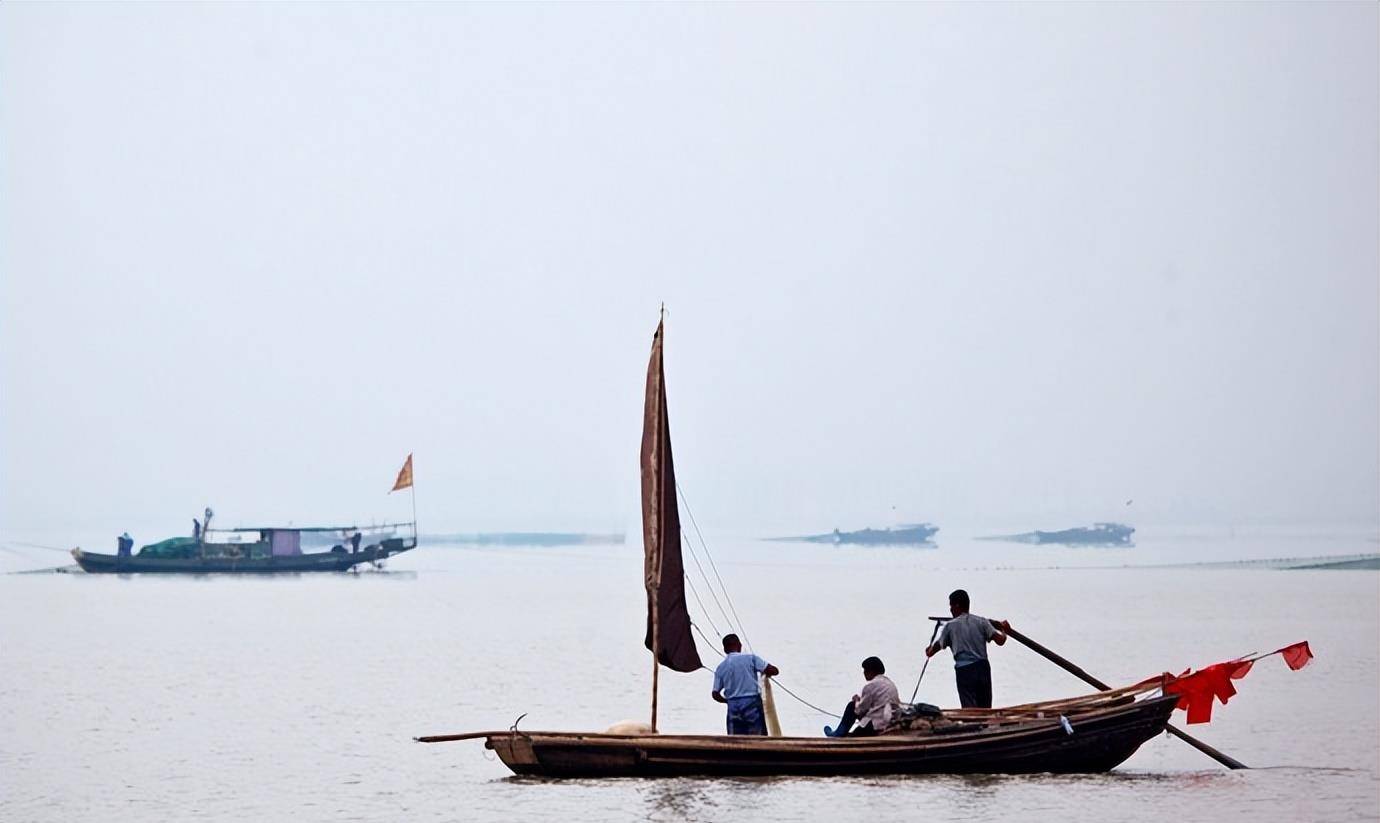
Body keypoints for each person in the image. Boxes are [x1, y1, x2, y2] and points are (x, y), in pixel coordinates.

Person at [925, 589, 1008, 708]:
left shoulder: (950, 626)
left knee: (969, 708)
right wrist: (1005, 631)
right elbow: (1000, 641)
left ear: (957, 605)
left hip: (965, 671)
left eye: (951, 606)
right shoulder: (982, 622)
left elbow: (938, 645)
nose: (950, 610)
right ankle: (985, 725)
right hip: (982, 668)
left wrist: (930, 651)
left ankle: (973, 725)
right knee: (985, 707)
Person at [711, 634, 780, 735]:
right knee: (758, 738)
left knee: (735, 741)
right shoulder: (751, 659)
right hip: (752, 704)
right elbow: (774, 671)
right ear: (739, 646)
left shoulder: (721, 667)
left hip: (733, 706)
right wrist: (766, 673)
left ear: (725, 650)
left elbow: (715, 694)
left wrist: (728, 701)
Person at [824, 656, 900, 737]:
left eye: (865, 670)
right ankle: (841, 733)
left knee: (851, 706)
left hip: (876, 724)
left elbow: (859, 710)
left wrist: (857, 701)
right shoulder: (890, 684)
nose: (864, 673)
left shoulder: (870, 686)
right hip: (891, 722)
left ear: (871, 671)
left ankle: (838, 733)